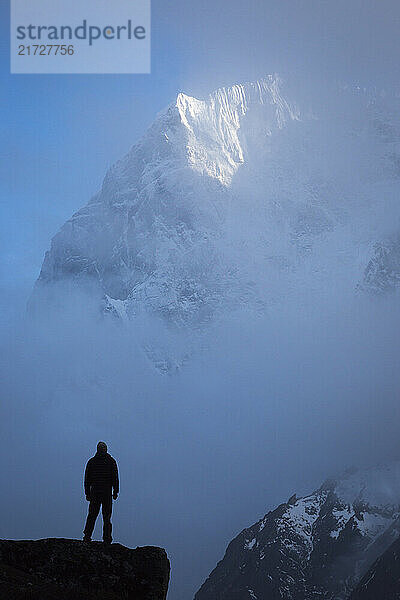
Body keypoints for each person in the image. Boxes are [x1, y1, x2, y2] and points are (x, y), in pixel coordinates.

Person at [83, 441, 119, 544]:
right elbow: (115, 478)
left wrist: (87, 493)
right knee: (103, 516)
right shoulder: (110, 461)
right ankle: (104, 538)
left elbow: (87, 479)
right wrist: (116, 491)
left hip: (98, 492)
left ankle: (89, 536)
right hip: (103, 493)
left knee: (95, 516)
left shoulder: (92, 462)